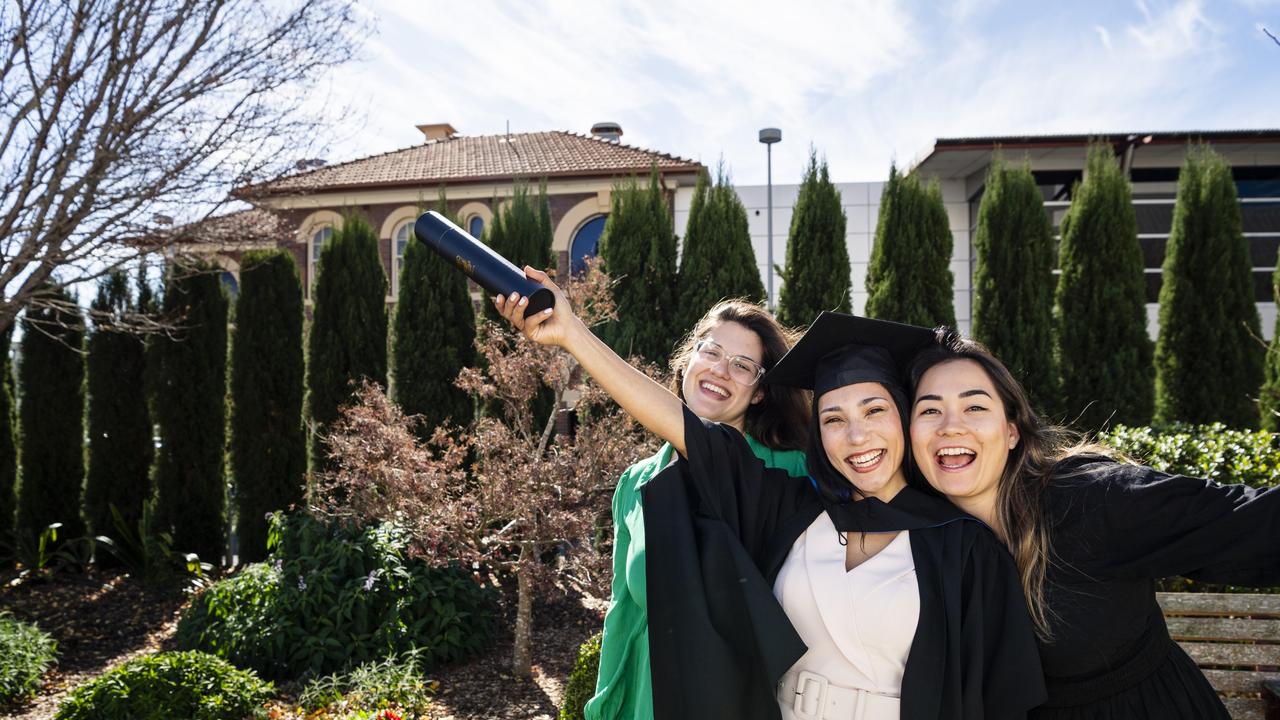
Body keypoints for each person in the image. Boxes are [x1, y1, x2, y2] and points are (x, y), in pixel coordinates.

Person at [496, 272, 1045, 720]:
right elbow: (686, 430)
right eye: (833, 418)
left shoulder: (964, 548)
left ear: (905, 419)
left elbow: (1001, 697)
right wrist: (571, 334)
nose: (856, 436)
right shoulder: (794, 510)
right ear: (819, 436)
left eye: (875, 411)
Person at [907, 328, 1280, 719]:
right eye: (929, 410)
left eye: (975, 407)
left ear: (1012, 431)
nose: (950, 426)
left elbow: (1248, 523)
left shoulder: (1093, 500)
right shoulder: (921, 539)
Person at [586, 300, 811, 720]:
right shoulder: (637, 483)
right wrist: (603, 710)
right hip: (649, 706)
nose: (721, 371)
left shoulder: (791, 475)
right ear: (688, 359)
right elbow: (626, 622)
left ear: (760, 391)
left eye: (743, 366)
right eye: (711, 352)